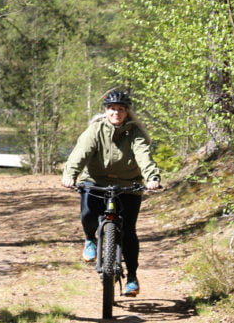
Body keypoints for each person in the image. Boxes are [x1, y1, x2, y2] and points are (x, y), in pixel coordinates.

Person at [60, 90, 162, 296]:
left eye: (121, 109)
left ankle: (132, 276)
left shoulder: (135, 133)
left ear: (127, 112)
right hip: (95, 181)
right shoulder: (95, 130)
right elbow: (81, 153)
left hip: (128, 183)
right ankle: (90, 238)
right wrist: (70, 174)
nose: (116, 113)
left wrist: (152, 178)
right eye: (112, 109)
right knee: (88, 213)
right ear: (106, 111)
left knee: (129, 231)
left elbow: (143, 156)